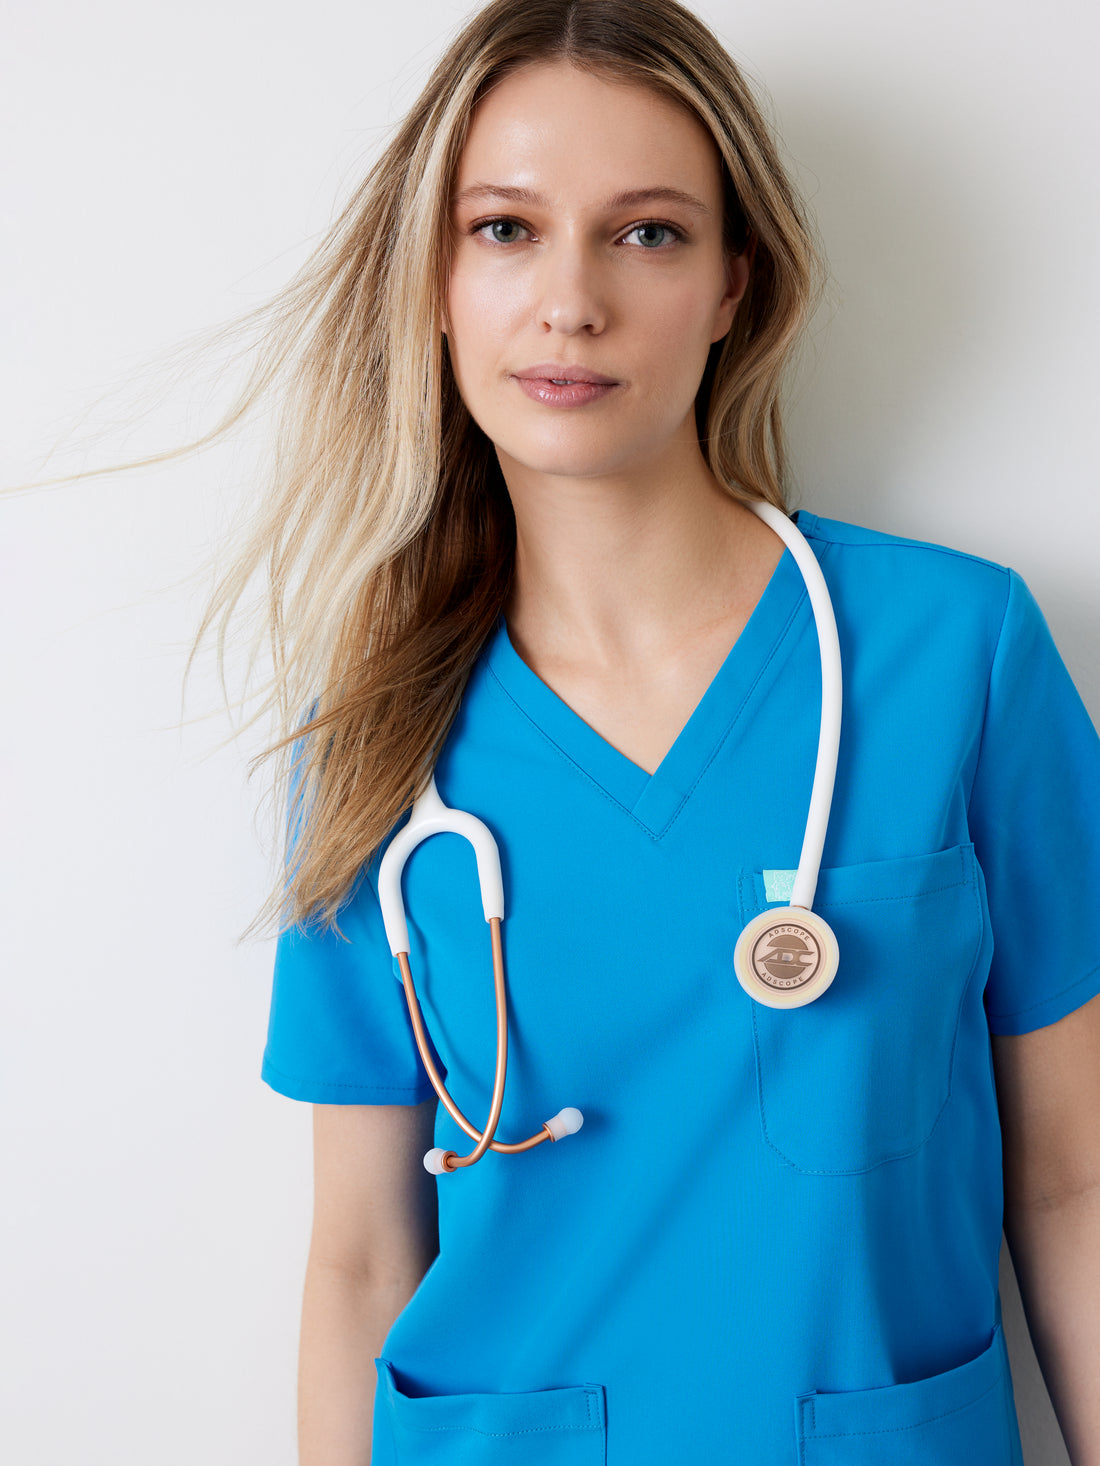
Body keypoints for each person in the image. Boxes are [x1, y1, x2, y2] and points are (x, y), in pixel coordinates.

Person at [247, 2, 1100, 1463]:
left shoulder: (956, 653)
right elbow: (364, 1259)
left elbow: (1075, 1183)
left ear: (731, 285)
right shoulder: (380, 733)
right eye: (505, 230)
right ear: (436, 282)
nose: (571, 301)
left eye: (646, 233)